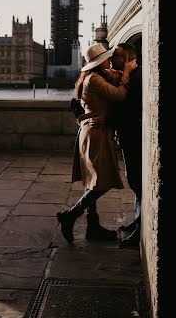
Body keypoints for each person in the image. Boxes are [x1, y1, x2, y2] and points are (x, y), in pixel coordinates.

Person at [57, 42, 137, 244]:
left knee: (92, 180)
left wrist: (118, 73)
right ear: (100, 61)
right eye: (108, 57)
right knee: (103, 181)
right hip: (97, 134)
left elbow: (113, 82)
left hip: (92, 132)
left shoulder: (95, 76)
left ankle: (93, 226)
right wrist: (127, 71)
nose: (110, 60)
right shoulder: (94, 79)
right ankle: (71, 215)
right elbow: (120, 95)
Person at [109, 43, 142, 248]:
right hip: (128, 135)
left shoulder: (136, 79)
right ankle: (138, 221)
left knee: (137, 181)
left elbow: (127, 107)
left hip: (133, 136)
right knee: (135, 181)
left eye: (116, 56)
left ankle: (140, 231)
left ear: (128, 58)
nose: (112, 59)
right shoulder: (130, 76)